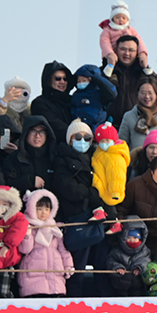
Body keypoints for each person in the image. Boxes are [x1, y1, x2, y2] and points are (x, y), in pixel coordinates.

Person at [51, 119, 108, 296]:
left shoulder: (95, 158)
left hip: (95, 218)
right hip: (76, 219)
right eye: (78, 137)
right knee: (76, 269)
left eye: (87, 137)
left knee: (100, 265)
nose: (82, 141)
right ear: (70, 139)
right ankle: (72, 302)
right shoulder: (62, 161)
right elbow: (71, 190)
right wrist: (92, 192)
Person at [17, 189, 74, 298]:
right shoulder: (28, 226)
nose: (43, 212)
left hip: (55, 277)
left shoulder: (55, 228)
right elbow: (25, 249)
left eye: (47, 209)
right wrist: (27, 234)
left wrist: (68, 266)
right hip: (33, 275)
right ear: (32, 209)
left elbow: (63, 250)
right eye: (39, 209)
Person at [2, 116, 54, 196]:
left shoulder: (53, 158)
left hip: (50, 206)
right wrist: (29, 181)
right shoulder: (13, 159)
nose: (37, 135)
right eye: (33, 131)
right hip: (21, 206)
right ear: (26, 133)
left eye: (42, 132)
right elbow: (7, 186)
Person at [106, 35, 148, 127]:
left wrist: (146, 68)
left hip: (136, 126)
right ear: (116, 50)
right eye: (123, 49)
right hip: (109, 126)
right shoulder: (106, 70)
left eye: (131, 50)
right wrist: (109, 67)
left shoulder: (143, 72)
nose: (127, 53)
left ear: (137, 53)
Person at [91, 122, 131, 218]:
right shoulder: (102, 152)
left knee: (110, 208)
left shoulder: (115, 156)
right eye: (102, 141)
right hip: (102, 184)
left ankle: (114, 222)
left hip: (112, 192)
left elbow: (117, 175)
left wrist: (115, 191)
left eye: (107, 140)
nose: (104, 143)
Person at [107, 217, 151, 296]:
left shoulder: (145, 250)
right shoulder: (117, 250)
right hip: (119, 285)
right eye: (128, 238)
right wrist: (118, 267)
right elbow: (110, 261)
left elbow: (146, 260)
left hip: (138, 285)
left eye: (135, 238)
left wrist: (139, 267)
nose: (132, 240)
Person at [99, 1, 149, 69]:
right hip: (113, 56)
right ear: (112, 19)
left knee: (139, 65)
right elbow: (104, 43)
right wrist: (109, 53)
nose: (120, 20)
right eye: (117, 17)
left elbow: (139, 41)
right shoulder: (108, 30)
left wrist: (142, 53)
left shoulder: (130, 29)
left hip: (130, 58)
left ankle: (145, 74)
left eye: (123, 18)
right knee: (111, 65)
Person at [29, 62, 72, 142]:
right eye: (58, 78)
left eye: (65, 79)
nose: (62, 82)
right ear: (48, 80)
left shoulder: (73, 101)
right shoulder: (39, 103)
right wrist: (75, 134)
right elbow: (54, 126)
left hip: (80, 146)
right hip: (53, 151)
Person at [69, 64, 117, 131]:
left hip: (96, 129)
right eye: (78, 81)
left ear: (92, 80)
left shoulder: (99, 94)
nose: (80, 83)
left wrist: (97, 78)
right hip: (79, 129)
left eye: (84, 80)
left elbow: (112, 94)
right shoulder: (76, 95)